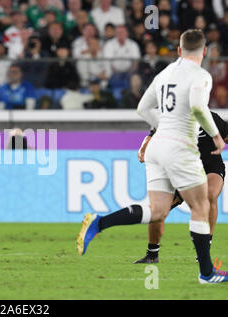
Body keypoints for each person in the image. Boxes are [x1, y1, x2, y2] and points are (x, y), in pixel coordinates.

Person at [77, 29, 228, 284]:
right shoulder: (201, 75)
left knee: (156, 211)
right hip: (180, 147)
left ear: (179, 50)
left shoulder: (165, 74)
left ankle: (99, 222)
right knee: (201, 205)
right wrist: (215, 135)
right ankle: (206, 273)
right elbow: (198, 107)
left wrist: (161, 129)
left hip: (157, 146)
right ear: (203, 51)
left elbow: (142, 108)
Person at [134, 111, 228, 264]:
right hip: (185, 172)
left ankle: (204, 250)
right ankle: (152, 254)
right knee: (158, 210)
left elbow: (225, 136)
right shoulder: (173, 119)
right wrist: (144, 148)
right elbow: (153, 134)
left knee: (210, 195)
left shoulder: (211, 118)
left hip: (211, 168)